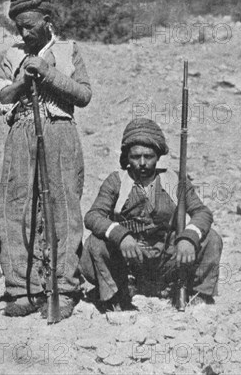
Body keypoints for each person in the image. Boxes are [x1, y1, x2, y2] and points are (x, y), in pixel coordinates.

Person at [0, 0, 92, 318]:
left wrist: (47, 73)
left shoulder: (68, 50)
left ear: (47, 21)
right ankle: (22, 288)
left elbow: (84, 95)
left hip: (59, 131)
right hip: (22, 132)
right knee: (16, 207)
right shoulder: (12, 56)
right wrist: (20, 84)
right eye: (19, 27)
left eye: (30, 25)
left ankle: (63, 287)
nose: (24, 33)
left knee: (62, 206)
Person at [80, 118, 223, 311]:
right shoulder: (116, 182)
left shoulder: (174, 180)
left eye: (148, 156)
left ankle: (199, 295)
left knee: (211, 238)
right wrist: (120, 235)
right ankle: (116, 296)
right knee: (95, 243)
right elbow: (93, 216)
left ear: (158, 156)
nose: (142, 163)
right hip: (130, 261)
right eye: (135, 156)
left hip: (168, 260)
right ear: (126, 157)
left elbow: (202, 213)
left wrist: (188, 238)